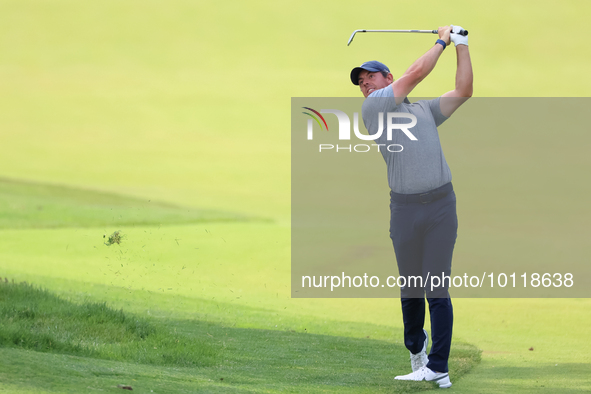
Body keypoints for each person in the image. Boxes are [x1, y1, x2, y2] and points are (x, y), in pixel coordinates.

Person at [350, 25, 472, 388]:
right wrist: (441, 40)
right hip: (404, 210)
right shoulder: (375, 108)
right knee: (411, 288)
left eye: (370, 76)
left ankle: (438, 366)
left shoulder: (424, 110)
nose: (365, 84)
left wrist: (461, 45)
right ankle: (417, 357)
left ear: (387, 77)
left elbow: (464, 91)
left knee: (436, 286)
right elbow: (416, 73)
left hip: (440, 207)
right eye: (360, 81)